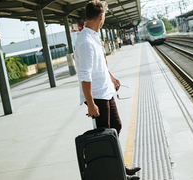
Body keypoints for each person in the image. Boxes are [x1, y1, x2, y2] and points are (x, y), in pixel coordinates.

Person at [74, 0, 140, 179]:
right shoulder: (85, 42)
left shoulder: (94, 36)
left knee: (116, 126)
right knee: (105, 135)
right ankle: (115, 174)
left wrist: (112, 78)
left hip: (106, 90)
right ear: (101, 17)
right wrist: (90, 104)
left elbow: (101, 64)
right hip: (97, 96)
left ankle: (119, 167)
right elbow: (85, 77)